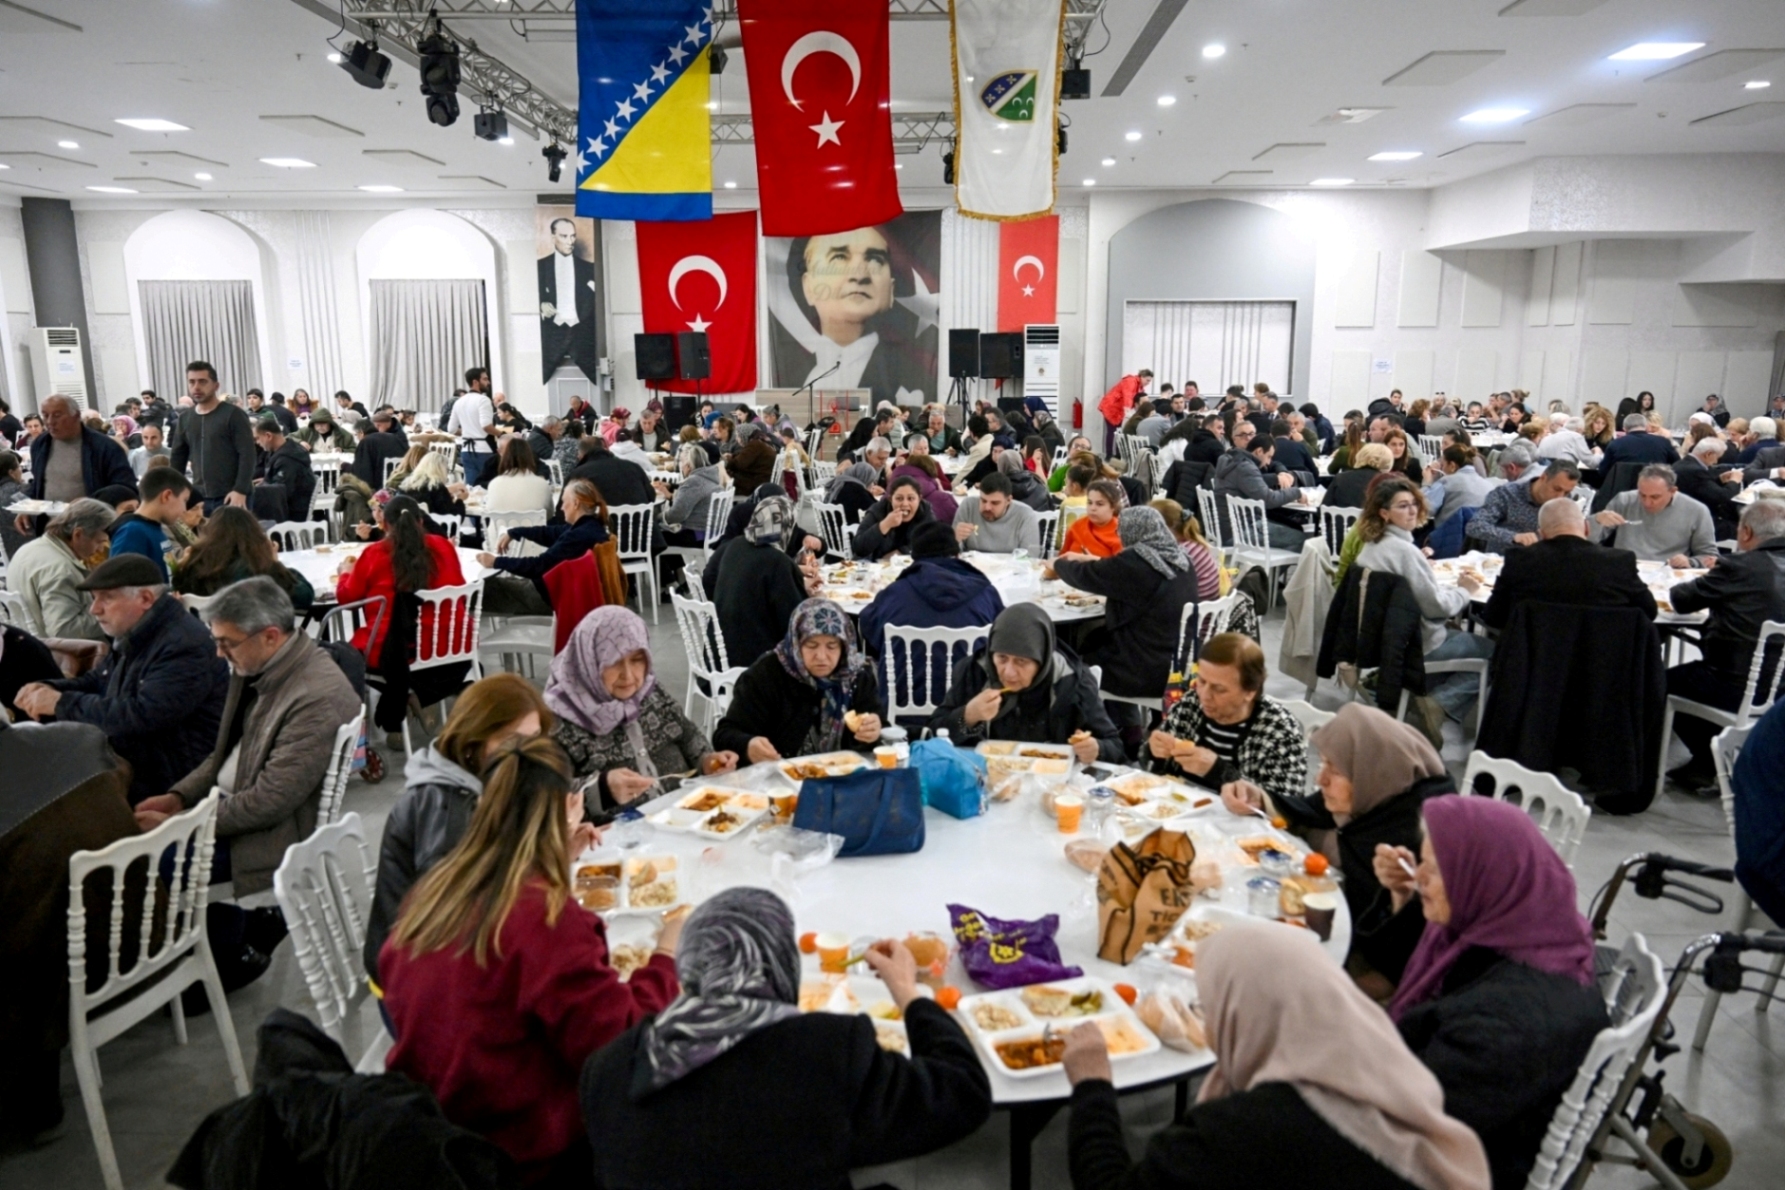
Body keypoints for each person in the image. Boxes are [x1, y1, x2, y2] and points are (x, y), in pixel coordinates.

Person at [381, 735, 680, 1184]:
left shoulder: (435, 889)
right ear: (567, 808)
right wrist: (667, 954)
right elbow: (625, 1047)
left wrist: (553, 858)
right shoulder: (545, 917)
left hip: (436, 1125)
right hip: (525, 1154)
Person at [582, 888, 992, 1190]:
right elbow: (961, 1091)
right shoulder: (822, 1051)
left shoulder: (608, 1069)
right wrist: (906, 991)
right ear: (783, 962)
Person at [1063, 925, 1491, 1190]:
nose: (1208, 1025)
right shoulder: (1384, 1066)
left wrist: (1093, 1086)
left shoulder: (1246, 1131)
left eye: (1208, 1007)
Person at [1369, 796, 1607, 1190]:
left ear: (1483, 876)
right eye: (1421, 860)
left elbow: (1403, 1127)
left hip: (1466, 1164)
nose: (1418, 876)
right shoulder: (1533, 928)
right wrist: (1404, 900)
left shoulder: (1503, 1026)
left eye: (1436, 868)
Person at [133, 578, 360, 898]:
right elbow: (231, 751)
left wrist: (178, 824)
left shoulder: (314, 698)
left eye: (227, 642)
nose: (218, 653)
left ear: (269, 636)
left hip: (267, 839)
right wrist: (179, 797)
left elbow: (268, 803)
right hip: (238, 812)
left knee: (137, 867)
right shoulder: (267, 666)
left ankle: (228, 939)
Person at [1227, 703, 1455, 985]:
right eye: (1321, 762)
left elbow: (1408, 961)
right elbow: (1307, 810)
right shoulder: (1370, 793)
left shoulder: (1418, 834)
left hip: (1371, 966)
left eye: (1333, 770)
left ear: (1371, 772)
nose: (1319, 779)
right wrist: (1256, 796)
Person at [365, 673, 555, 978]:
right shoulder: (446, 807)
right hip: (414, 978)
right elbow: (454, 917)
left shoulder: (484, 773)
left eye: (534, 740)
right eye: (512, 741)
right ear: (474, 741)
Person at [13, 554, 229, 806]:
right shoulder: (139, 631)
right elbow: (100, 680)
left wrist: (62, 703)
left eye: (106, 598)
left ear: (146, 599)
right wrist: (50, 688)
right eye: (94, 599)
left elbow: (145, 715)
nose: (94, 609)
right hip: (139, 760)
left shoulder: (183, 644)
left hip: (172, 779)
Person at [547, 606, 737, 808]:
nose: (628, 675)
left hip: (685, 816)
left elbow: (689, 737)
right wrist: (603, 789)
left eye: (637, 660)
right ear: (590, 661)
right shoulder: (559, 719)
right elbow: (544, 800)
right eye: (614, 663)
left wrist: (707, 761)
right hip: (615, 834)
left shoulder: (652, 692)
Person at [1353, 477, 1492, 737]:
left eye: (1414, 503)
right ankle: (1439, 703)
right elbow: (1437, 607)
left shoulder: (1374, 545)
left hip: (1380, 639)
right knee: (1496, 652)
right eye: (1403, 506)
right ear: (1384, 513)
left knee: (1454, 632)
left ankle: (1393, 686)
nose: (1412, 510)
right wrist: (1465, 591)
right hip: (1415, 643)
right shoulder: (1405, 551)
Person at [1660, 500, 1785, 787]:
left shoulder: (1740, 566)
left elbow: (1682, 599)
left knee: (1660, 680)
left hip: (1733, 684)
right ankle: (1711, 761)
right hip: (1781, 688)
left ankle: (1706, 759)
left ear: (1746, 533)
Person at [334, 494, 469, 740]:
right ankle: (414, 696)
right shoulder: (443, 547)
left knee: (344, 654)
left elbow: (347, 600)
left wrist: (345, 573)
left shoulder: (375, 554)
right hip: (451, 646)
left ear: (384, 524)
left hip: (396, 651)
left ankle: (398, 700)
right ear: (421, 521)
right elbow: (459, 592)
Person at [930, 604, 1124, 763]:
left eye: (1021, 661)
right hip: (986, 781)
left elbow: (1115, 746)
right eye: (1002, 658)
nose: (1009, 671)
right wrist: (968, 715)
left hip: (1053, 785)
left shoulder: (1073, 680)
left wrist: (1096, 749)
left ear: (1042, 659)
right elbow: (933, 735)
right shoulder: (975, 672)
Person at [1053, 506, 1201, 704]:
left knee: (1070, 661)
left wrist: (1057, 565)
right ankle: (1128, 725)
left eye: (1121, 529)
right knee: (1093, 640)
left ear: (1133, 531)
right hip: (1177, 663)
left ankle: (1089, 723)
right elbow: (1112, 571)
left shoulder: (1137, 562)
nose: (1118, 533)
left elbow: (1089, 575)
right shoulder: (1180, 558)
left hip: (1141, 670)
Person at [1145, 631, 1309, 806]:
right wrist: (1153, 751)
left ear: (1250, 691)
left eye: (1219, 689)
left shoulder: (1278, 729)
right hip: (1178, 811)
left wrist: (1218, 771)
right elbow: (1151, 769)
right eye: (1201, 681)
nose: (1204, 695)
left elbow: (1287, 807)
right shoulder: (1191, 704)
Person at [714, 598, 884, 763]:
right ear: (795, 643)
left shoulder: (856, 674)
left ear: (844, 647)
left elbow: (879, 726)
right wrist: (747, 746)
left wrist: (874, 731)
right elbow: (725, 734)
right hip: (779, 780)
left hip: (843, 777)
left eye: (832, 646)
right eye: (811, 645)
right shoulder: (767, 674)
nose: (822, 656)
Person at [1480, 498, 1657, 630]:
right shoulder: (1619, 561)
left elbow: (1494, 616)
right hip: (1604, 667)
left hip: (1532, 666)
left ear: (1543, 534)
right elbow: (1649, 611)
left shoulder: (1520, 559)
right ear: (1586, 528)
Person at [858, 520, 1004, 668]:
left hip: (902, 688)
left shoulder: (894, 592)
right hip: (971, 688)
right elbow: (1002, 637)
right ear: (957, 555)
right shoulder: (985, 593)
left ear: (914, 558)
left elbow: (867, 627)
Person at [704, 494, 817, 667]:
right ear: (786, 527)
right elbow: (793, 620)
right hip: (754, 661)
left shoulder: (735, 545)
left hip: (718, 654)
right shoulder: (777, 561)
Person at [15, 395, 136, 533]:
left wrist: (89, 502)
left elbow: (126, 487)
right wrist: (28, 507)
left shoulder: (104, 446)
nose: (50, 421)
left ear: (76, 416)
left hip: (92, 529)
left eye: (57, 415)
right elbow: (39, 483)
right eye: (45, 415)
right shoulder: (40, 444)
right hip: (52, 527)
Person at [8, 497, 114, 640]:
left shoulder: (30, 549)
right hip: (62, 653)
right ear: (78, 534)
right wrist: (115, 614)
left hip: (30, 641)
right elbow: (64, 630)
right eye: (99, 542)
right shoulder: (61, 570)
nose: (101, 548)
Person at [173, 505, 315, 610]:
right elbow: (305, 596)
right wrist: (274, 563)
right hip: (257, 645)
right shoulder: (259, 569)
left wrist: (183, 566)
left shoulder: (193, 569)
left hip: (208, 644)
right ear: (253, 534)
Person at [1587, 464, 1717, 568]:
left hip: (1668, 571)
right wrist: (1597, 520)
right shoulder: (1625, 500)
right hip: (1625, 567)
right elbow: (1587, 539)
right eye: (1642, 495)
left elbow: (1709, 556)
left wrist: (1691, 562)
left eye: (1655, 497)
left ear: (1672, 491)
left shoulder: (1696, 510)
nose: (1647, 502)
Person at [168, 361, 255, 512]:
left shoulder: (234, 415)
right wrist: (176, 491)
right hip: (199, 497)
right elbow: (177, 458)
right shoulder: (185, 418)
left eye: (202, 381)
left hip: (232, 495)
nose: (196, 387)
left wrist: (240, 490)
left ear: (216, 385)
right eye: (192, 382)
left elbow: (248, 455)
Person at [1213, 419, 1310, 552]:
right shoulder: (1245, 467)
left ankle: (1272, 570)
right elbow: (1269, 499)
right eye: (1269, 457)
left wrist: (1279, 475)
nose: (1269, 462)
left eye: (1251, 434)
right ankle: (1272, 570)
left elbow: (1249, 482)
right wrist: (1297, 492)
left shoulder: (1227, 459)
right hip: (1241, 530)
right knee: (1305, 541)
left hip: (1226, 526)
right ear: (1259, 451)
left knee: (1290, 528)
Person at [1467, 459, 1582, 553]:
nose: (1560, 497)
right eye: (1557, 489)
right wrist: (1513, 536)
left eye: (1566, 492)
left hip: (1543, 565)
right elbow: (1475, 526)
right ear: (1543, 477)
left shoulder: (1565, 501)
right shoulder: (1507, 494)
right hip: (1504, 563)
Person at [953, 471, 1041, 555]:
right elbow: (951, 552)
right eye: (983, 500)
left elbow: (1031, 556)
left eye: (994, 503)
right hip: (971, 567)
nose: (987, 507)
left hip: (1011, 568)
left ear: (1008, 500)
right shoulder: (968, 506)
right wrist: (955, 539)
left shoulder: (1025, 515)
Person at [853, 475, 939, 560]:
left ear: (919, 499)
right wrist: (884, 525)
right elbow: (859, 548)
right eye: (899, 499)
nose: (905, 504)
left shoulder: (925, 511)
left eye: (911, 498)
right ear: (891, 499)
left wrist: (901, 551)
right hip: (875, 566)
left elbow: (933, 542)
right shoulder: (878, 510)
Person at [1151, 497, 1223, 599]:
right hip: (1209, 607)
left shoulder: (1180, 553)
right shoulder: (1193, 542)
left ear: (1166, 527)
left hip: (1194, 611)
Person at [251, 415, 316, 522]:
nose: (257, 442)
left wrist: (258, 490)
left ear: (268, 436)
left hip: (292, 511)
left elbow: (282, 492)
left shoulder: (287, 459)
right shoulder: (283, 450)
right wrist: (266, 481)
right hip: (290, 505)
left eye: (257, 438)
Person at [569, 432, 655, 508]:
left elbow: (564, 512)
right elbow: (652, 497)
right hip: (639, 524)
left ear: (581, 456)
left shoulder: (577, 475)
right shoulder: (634, 467)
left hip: (601, 525)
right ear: (604, 448)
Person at [446, 366, 497, 480]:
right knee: (487, 484)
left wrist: (469, 431)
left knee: (471, 487)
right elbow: (486, 426)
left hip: (466, 450)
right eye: (485, 379)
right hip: (483, 449)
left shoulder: (459, 402)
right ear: (475, 382)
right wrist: (501, 433)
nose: (488, 382)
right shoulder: (483, 400)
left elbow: (451, 429)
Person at [1060, 477, 1125, 558]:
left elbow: (1120, 567)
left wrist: (1093, 561)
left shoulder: (1121, 533)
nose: (1092, 508)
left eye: (1100, 504)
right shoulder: (1077, 526)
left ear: (1113, 507)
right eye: (1089, 503)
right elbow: (1062, 557)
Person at [1599, 413, 1680, 472]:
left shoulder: (1615, 444)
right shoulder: (1663, 442)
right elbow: (1677, 465)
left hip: (1623, 488)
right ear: (1647, 427)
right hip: (1655, 488)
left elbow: (1603, 471)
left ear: (1624, 429)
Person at [1098, 368, 1153, 454]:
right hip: (1111, 407)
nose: (1148, 383)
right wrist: (1127, 412)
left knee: (1118, 432)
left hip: (1118, 409)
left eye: (1150, 381)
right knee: (1112, 431)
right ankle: (1109, 454)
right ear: (1142, 377)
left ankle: (1117, 454)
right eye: (1147, 380)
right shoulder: (1131, 381)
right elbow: (1128, 396)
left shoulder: (1139, 386)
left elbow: (1139, 397)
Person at [1327, 442, 1393, 511]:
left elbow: (1324, 509)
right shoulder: (1388, 483)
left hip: (1342, 520)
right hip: (1373, 521)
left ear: (1360, 456)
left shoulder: (1340, 479)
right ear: (1387, 462)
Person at [0, 450, 26, 563]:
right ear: (11, 473)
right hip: (25, 550)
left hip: (11, 553)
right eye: (19, 467)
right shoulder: (17, 493)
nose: (21, 470)